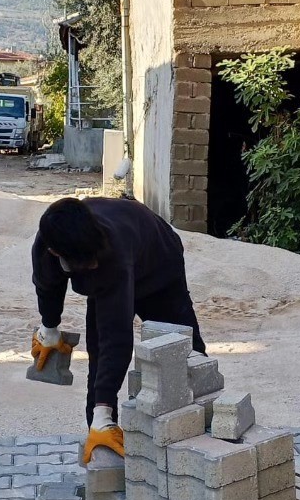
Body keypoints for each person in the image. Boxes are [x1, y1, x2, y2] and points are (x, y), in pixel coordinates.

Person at [31, 197, 205, 462]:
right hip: (112, 267)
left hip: (157, 263)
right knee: (98, 361)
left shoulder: (110, 249)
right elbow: (48, 286)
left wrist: (105, 403)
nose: (93, 266)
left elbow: (118, 338)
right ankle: (101, 446)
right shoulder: (47, 247)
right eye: (87, 264)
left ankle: (199, 438)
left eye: (93, 260)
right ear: (57, 253)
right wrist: (50, 328)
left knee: (185, 353)